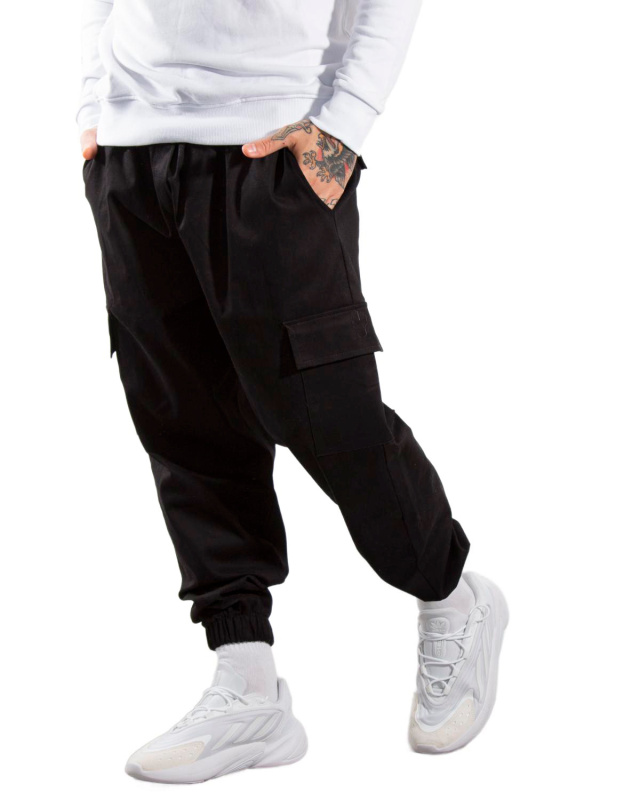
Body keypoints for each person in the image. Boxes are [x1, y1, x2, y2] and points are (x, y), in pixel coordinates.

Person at [78, 0, 508, 783]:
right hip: (130, 150)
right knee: (184, 424)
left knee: (327, 411)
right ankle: (246, 681)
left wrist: (345, 123)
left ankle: (451, 594)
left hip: (273, 144)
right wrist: (90, 113)